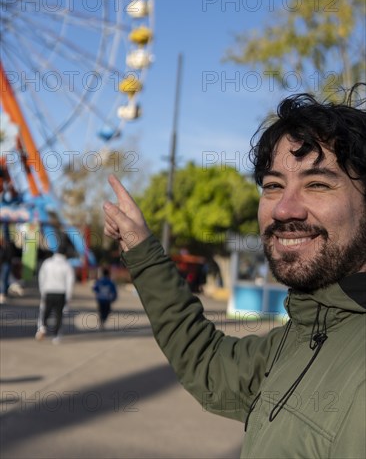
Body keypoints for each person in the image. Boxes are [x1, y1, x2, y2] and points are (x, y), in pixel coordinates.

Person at [103, 90, 366, 458]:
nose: (285, 209)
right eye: (273, 185)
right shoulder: (302, 336)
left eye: (317, 184)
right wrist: (141, 248)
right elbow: (208, 364)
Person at [35, 243, 75, 344]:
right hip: (61, 293)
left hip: (48, 291)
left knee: (45, 311)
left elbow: (41, 278)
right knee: (58, 315)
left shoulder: (47, 263)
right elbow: (70, 282)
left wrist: (42, 291)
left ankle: (42, 327)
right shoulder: (67, 265)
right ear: (65, 254)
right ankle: (56, 336)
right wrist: (68, 296)